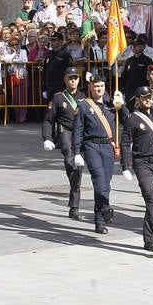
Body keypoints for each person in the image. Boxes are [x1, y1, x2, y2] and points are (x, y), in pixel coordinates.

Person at [72, 74, 124, 234]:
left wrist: (122, 104)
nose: (98, 89)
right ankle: (106, 208)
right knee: (99, 179)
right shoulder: (83, 106)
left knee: (104, 185)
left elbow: (126, 119)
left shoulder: (111, 104)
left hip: (108, 146)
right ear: (90, 87)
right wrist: (76, 152)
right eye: (95, 86)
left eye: (101, 86)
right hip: (91, 146)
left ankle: (99, 220)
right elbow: (78, 130)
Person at [120, 86, 153, 252]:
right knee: (152, 199)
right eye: (144, 97)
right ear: (137, 99)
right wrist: (125, 166)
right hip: (142, 163)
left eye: (149, 96)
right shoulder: (132, 119)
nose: (148, 99)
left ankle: (149, 240)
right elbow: (125, 143)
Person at [41, 67, 85, 221]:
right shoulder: (58, 98)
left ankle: (75, 205)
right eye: (70, 78)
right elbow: (48, 120)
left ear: (79, 80)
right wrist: (47, 137)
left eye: (75, 78)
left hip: (81, 134)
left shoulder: (84, 96)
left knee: (77, 170)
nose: (73, 80)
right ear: (65, 80)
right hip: (65, 131)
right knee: (71, 161)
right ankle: (74, 202)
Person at [43, 32, 72, 100]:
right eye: (51, 40)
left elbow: (69, 72)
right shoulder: (49, 54)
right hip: (49, 87)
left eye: (54, 40)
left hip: (61, 87)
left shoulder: (65, 55)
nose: (52, 42)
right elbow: (45, 70)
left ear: (60, 41)